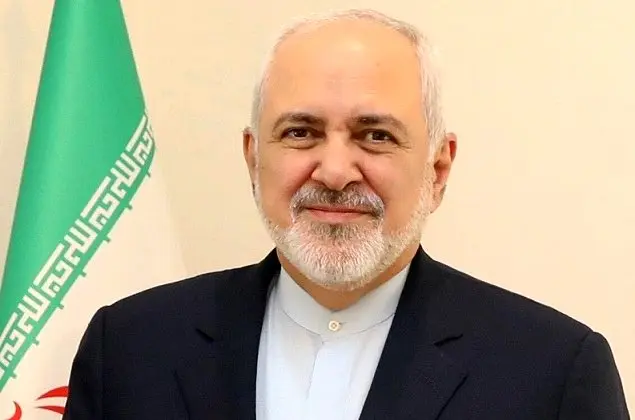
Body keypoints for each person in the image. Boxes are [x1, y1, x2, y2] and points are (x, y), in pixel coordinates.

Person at [63, 8, 630, 420]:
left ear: (437, 168)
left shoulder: (553, 372)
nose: (334, 171)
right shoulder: (131, 348)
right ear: (253, 158)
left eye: (375, 135)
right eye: (301, 132)